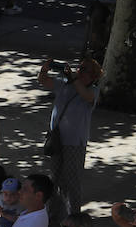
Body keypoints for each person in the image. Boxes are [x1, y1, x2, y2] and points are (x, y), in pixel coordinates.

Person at [38, 57, 101, 215]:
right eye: (79, 68)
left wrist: (73, 78)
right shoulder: (66, 83)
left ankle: (74, 216)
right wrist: (45, 68)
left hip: (74, 143)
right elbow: (44, 81)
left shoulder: (93, 90)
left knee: (72, 180)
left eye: (84, 69)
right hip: (57, 139)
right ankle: (53, 214)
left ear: (93, 76)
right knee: (55, 178)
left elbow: (86, 96)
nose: (79, 71)